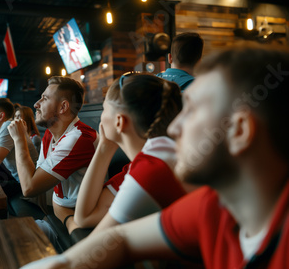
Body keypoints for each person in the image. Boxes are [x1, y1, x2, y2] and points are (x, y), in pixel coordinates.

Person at [21, 44, 289, 269]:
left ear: (239, 131)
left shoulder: (159, 169)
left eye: (192, 110)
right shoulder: (212, 207)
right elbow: (120, 238)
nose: (173, 127)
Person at [74, 73, 187, 233]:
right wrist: (105, 147)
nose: (101, 116)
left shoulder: (150, 170)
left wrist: (104, 147)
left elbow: (83, 220)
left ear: (119, 122)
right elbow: (86, 216)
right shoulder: (148, 160)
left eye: (104, 108)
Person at [8, 76, 98, 250]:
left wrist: (20, 140)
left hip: (79, 224)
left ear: (63, 107)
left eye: (45, 98)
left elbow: (29, 187)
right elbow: (36, 177)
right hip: (59, 216)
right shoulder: (50, 134)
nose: (36, 104)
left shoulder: (78, 138)